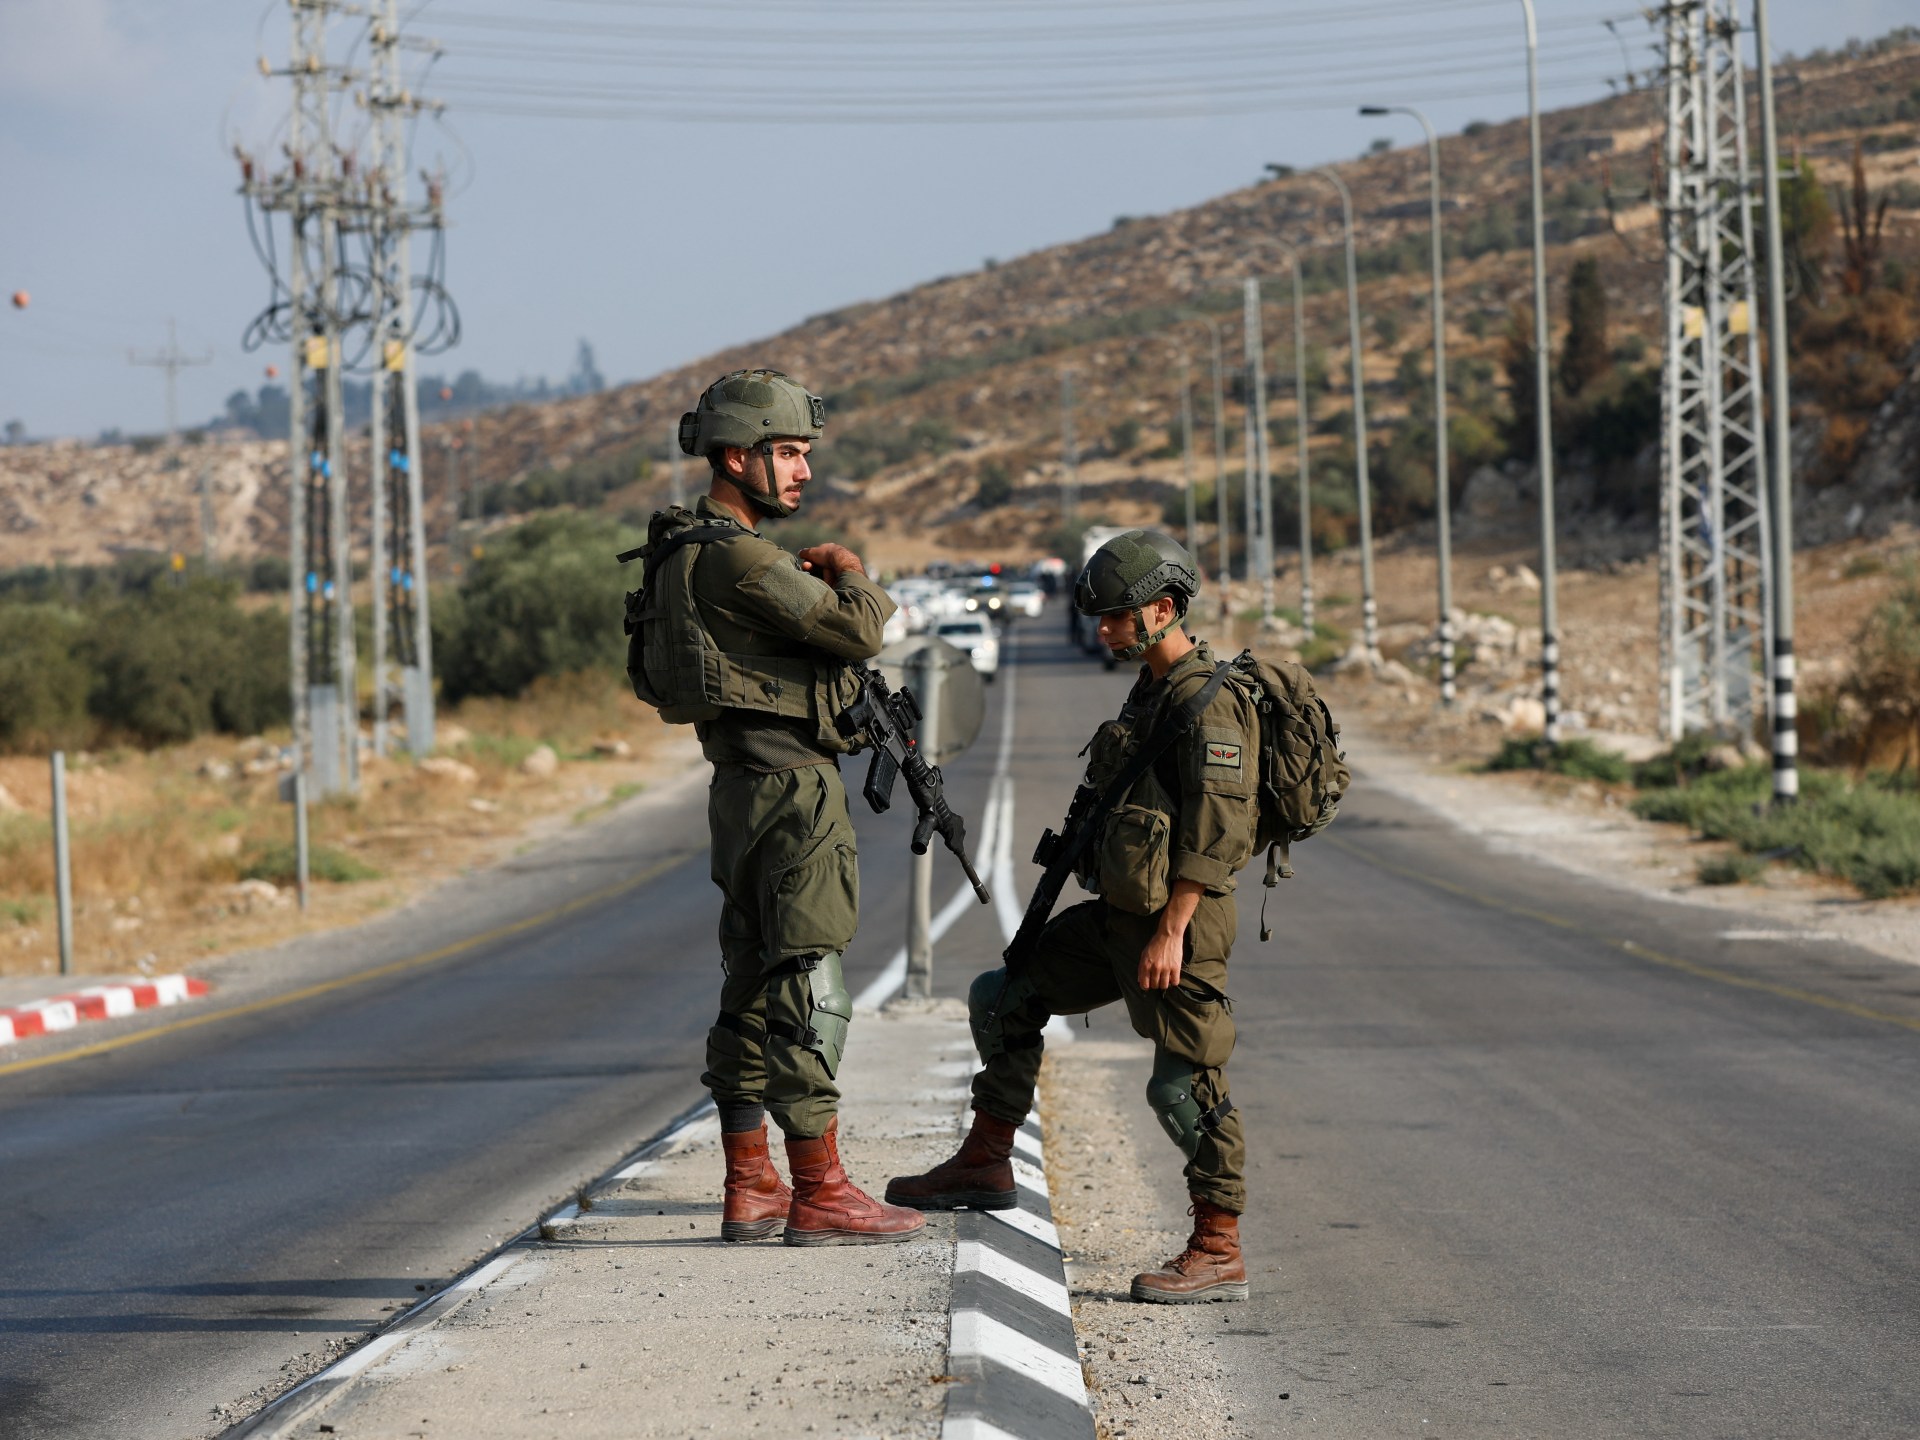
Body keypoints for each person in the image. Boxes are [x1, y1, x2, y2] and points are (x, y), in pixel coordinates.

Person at [887, 529, 1258, 1301]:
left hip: (1179, 928)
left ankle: (1218, 1246)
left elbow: (1219, 833)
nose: (1105, 629)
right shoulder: (1151, 689)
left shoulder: (1209, 701)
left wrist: (1172, 930)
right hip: (1119, 918)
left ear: (1163, 609)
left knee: (1185, 1084)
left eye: (1118, 615)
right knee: (1004, 995)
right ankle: (987, 1160)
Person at [645, 368, 924, 1247]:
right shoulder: (740, 556)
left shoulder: (682, 551)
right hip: (793, 792)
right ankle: (820, 1188)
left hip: (738, 789)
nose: (804, 470)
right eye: (790, 452)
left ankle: (751, 1182)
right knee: (810, 984)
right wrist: (852, 572)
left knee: (751, 983)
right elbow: (858, 630)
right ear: (738, 456)